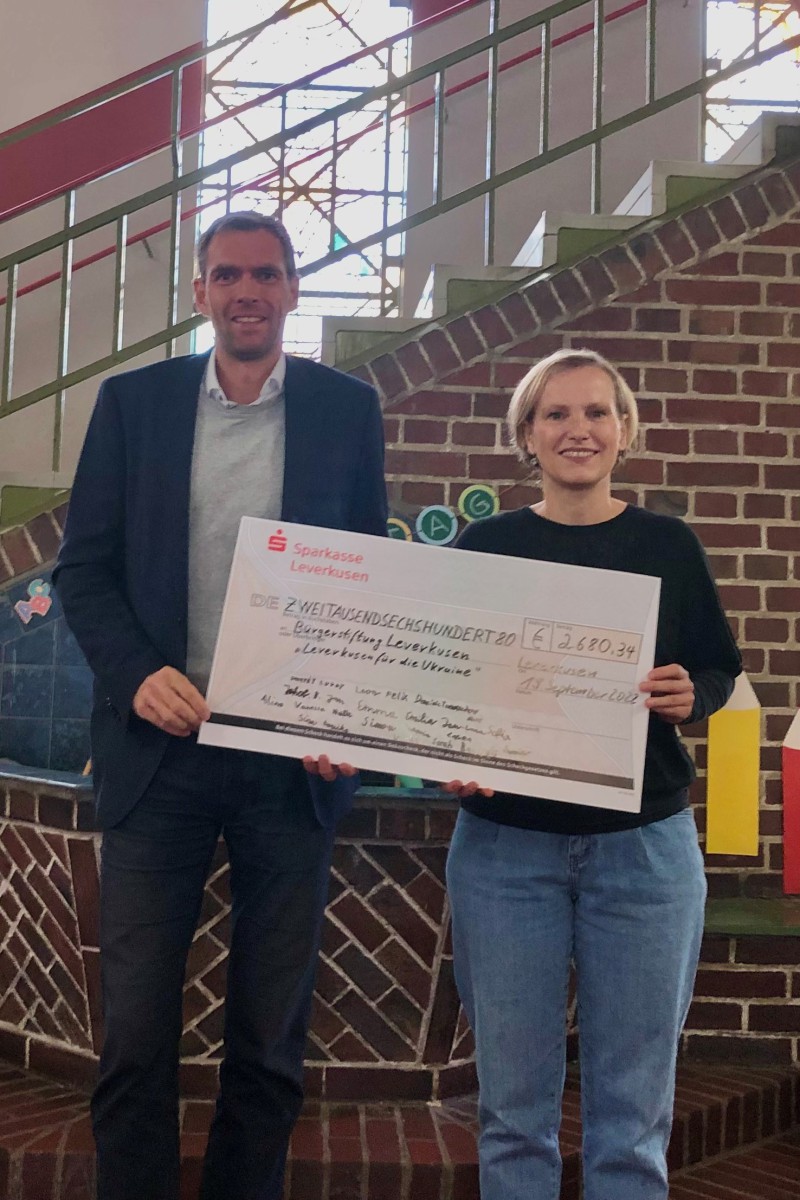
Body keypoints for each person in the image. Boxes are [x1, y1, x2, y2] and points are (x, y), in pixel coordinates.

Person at [53, 210, 387, 1200]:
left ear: (292, 290)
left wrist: (339, 712)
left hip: (288, 763)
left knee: (271, 1041)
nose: (248, 291)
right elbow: (84, 572)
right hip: (159, 758)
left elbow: (366, 580)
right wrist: (134, 674)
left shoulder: (345, 410)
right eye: (228, 274)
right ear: (199, 291)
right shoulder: (134, 404)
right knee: (134, 1035)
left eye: (267, 274)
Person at [443, 348, 741, 1200]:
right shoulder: (487, 546)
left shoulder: (667, 544)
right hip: (505, 850)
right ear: (526, 435)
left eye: (597, 412)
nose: (579, 430)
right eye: (557, 414)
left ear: (625, 430)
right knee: (512, 1112)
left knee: (634, 1119)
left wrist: (693, 694)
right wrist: (448, 753)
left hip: (644, 849)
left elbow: (717, 667)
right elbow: (443, 682)